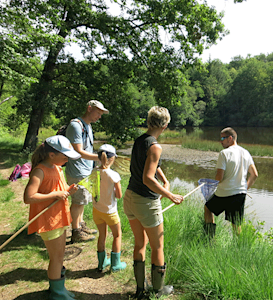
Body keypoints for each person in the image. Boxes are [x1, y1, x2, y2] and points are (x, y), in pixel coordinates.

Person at [123, 106, 184, 299]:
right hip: (145, 202)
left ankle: (140, 290)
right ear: (165, 125)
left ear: (149, 122)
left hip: (130, 197)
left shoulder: (141, 140)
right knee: (157, 247)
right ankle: (158, 291)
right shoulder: (156, 146)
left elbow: (152, 165)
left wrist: (164, 178)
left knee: (140, 243)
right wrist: (169, 194)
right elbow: (148, 178)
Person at [23, 135, 81, 299]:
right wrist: (55, 194)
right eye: (65, 156)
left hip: (60, 218)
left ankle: (59, 287)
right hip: (48, 221)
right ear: (52, 155)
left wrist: (68, 192)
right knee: (56, 257)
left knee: (60, 255)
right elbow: (29, 197)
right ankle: (57, 293)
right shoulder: (40, 171)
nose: (67, 160)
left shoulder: (57, 168)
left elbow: (58, 192)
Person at [65, 100, 109, 243]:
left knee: (82, 201)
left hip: (85, 170)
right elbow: (77, 151)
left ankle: (81, 225)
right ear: (89, 108)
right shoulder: (75, 126)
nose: (99, 116)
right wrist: (100, 158)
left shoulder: (87, 126)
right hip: (77, 171)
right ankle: (75, 232)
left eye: (101, 114)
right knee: (77, 202)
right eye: (98, 112)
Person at [204, 127, 258, 236]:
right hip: (240, 193)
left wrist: (212, 182)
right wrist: (245, 188)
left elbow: (219, 177)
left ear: (230, 138)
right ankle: (238, 247)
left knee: (208, 208)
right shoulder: (246, 152)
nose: (221, 141)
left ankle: (209, 239)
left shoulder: (224, 153)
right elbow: (254, 174)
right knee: (236, 223)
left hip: (224, 193)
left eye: (223, 138)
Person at [93, 144, 127, 272]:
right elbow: (118, 195)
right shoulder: (114, 175)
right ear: (112, 159)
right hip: (110, 212)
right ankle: (115, 264)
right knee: (117, 235)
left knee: (102, 235)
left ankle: (101, 264)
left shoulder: (94, 171)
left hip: (97, 210)